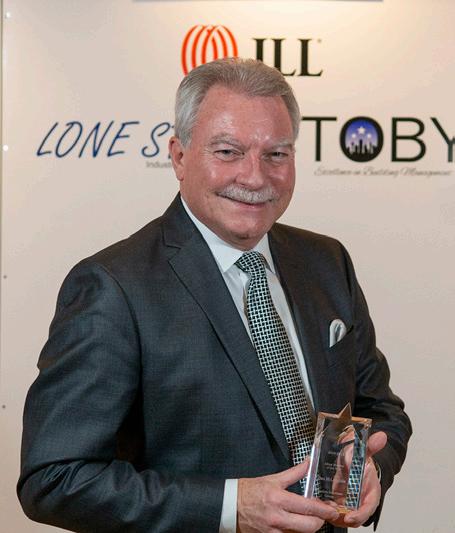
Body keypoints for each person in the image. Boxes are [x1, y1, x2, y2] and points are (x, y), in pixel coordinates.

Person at [18, 58, 411, 533]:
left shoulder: (327, 262)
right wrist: (231, 506)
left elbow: (380, 410)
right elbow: (55, 478)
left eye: (276, 154)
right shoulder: (113, 286)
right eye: (228, 151)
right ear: (179, 156)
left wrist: (370, 468)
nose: (255, 177)